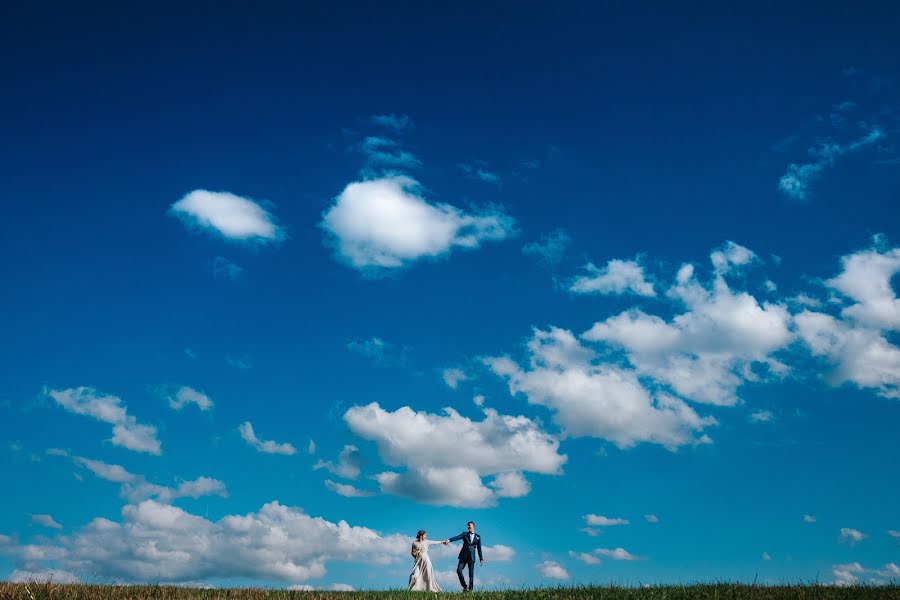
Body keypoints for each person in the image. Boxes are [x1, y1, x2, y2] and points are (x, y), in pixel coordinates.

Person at [444, 521, 483, 592]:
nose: (468, 526)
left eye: (469, 525)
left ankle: (470, 590)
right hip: (463, 556)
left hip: (472, 557)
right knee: (459, 570)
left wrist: (481, 559)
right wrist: (449, 540)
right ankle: (465, 586)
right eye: (467, 525)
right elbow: (457, 537)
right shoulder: (464, 534)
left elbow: (479, 548)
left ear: (473, 526)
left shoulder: (478, 537)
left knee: (471, 574)